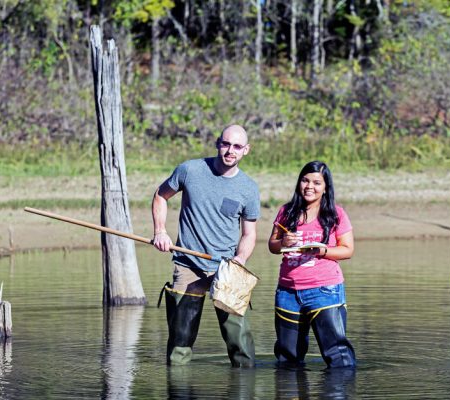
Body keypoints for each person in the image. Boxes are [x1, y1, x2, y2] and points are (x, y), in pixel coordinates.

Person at [152, 124, 260, 367]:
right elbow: (160, 196)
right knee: (179, 347)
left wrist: (240, 260)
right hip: (187, 265)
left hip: (227, 268)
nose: (230, 150)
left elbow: (249, 234)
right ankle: (178, 390)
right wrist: (160, 231)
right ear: (217, 143)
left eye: (237, 146)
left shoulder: (249, 188)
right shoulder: (190, 170)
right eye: (225, 144)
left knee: (241, 347)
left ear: (246, 150)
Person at [268, 160, 356, 368]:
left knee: (338, 357)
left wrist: (322, 251)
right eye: (305, 181)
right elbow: (272, 245)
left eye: (316, 182)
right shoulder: (286, 211)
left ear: (326, 188)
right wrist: (283, 243)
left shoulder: (336, 213)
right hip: (287, 293)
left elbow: (347, 250)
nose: (309, 186)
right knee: (287, 358)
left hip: (324, 291)